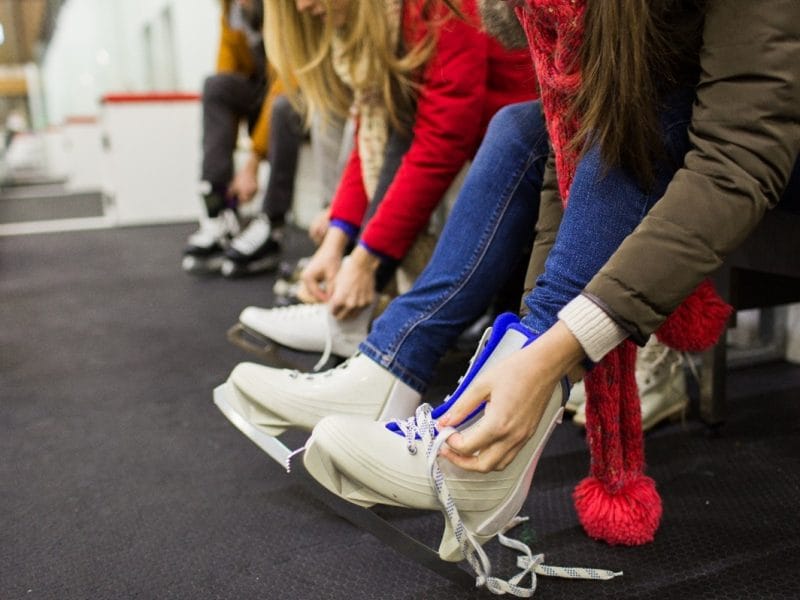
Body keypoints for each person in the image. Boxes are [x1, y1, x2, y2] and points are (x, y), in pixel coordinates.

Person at [219, 0, 800, 592]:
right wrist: (534, 344)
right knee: (524, 128)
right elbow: (564, 158)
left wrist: (550, 360)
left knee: (634, 107)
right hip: (693, 113)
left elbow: (744, 149)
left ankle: (473, 433)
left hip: (768, 129)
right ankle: (399, 373)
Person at [231, 0, 538, 362]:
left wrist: (366, 260)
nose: (301, 6)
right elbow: (371, 137)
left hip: (538, 155)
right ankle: (357, 315)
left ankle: (374, 330)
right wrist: (335, 242)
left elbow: (441, 141)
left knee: (413, 134)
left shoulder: (435, 8)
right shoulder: (388, 22)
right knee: (395, 125)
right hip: (500, 147)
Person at [182, 0, 306, 276]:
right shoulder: (231, 11)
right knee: (216, 86)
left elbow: (286, 79)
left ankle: (272, 225)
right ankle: (219, 213)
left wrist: (252, 161)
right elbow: (228, 71)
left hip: (300, 89)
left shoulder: (282, 9)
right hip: (261, 93)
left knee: (283, 106)